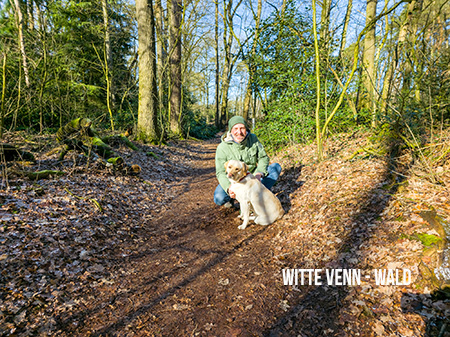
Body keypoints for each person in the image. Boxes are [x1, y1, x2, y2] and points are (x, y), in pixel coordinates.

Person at [214, 116, 282, 208]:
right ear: (230, 130)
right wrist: (228, 187)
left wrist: (259, 173)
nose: (239, 132)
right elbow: (220, 172)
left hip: (252, 177)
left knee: (275, 167)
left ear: (246, 129)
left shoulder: (253, 139)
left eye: (242, 128)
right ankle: (232, 198)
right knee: (219, 198)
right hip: (234, 180)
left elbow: (263, 157)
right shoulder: (222, 147)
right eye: (236, 129)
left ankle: (258, 195)